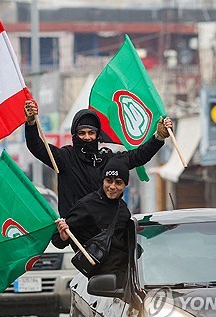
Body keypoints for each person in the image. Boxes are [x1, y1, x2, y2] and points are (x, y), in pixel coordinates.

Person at [24, 99, 173, 217]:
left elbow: (138, 156)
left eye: (91, 132)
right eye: (82, 133)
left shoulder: (108, 159)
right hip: (77, 233)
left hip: (106, 232)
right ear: (75, 135)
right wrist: (31, 123)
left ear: (97, 135)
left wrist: (158, 137)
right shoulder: (65, 157)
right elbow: (37, 146)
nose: (87, 137)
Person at [53, 155, 134, 286]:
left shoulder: (124, 210)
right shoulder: (87, 205)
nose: (112, 186)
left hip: (126, 280)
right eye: (109, 181)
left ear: (125, 185)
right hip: (101, 281)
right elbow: (57, 241)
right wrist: (63, 237)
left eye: (118, 182)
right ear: (103, 181)